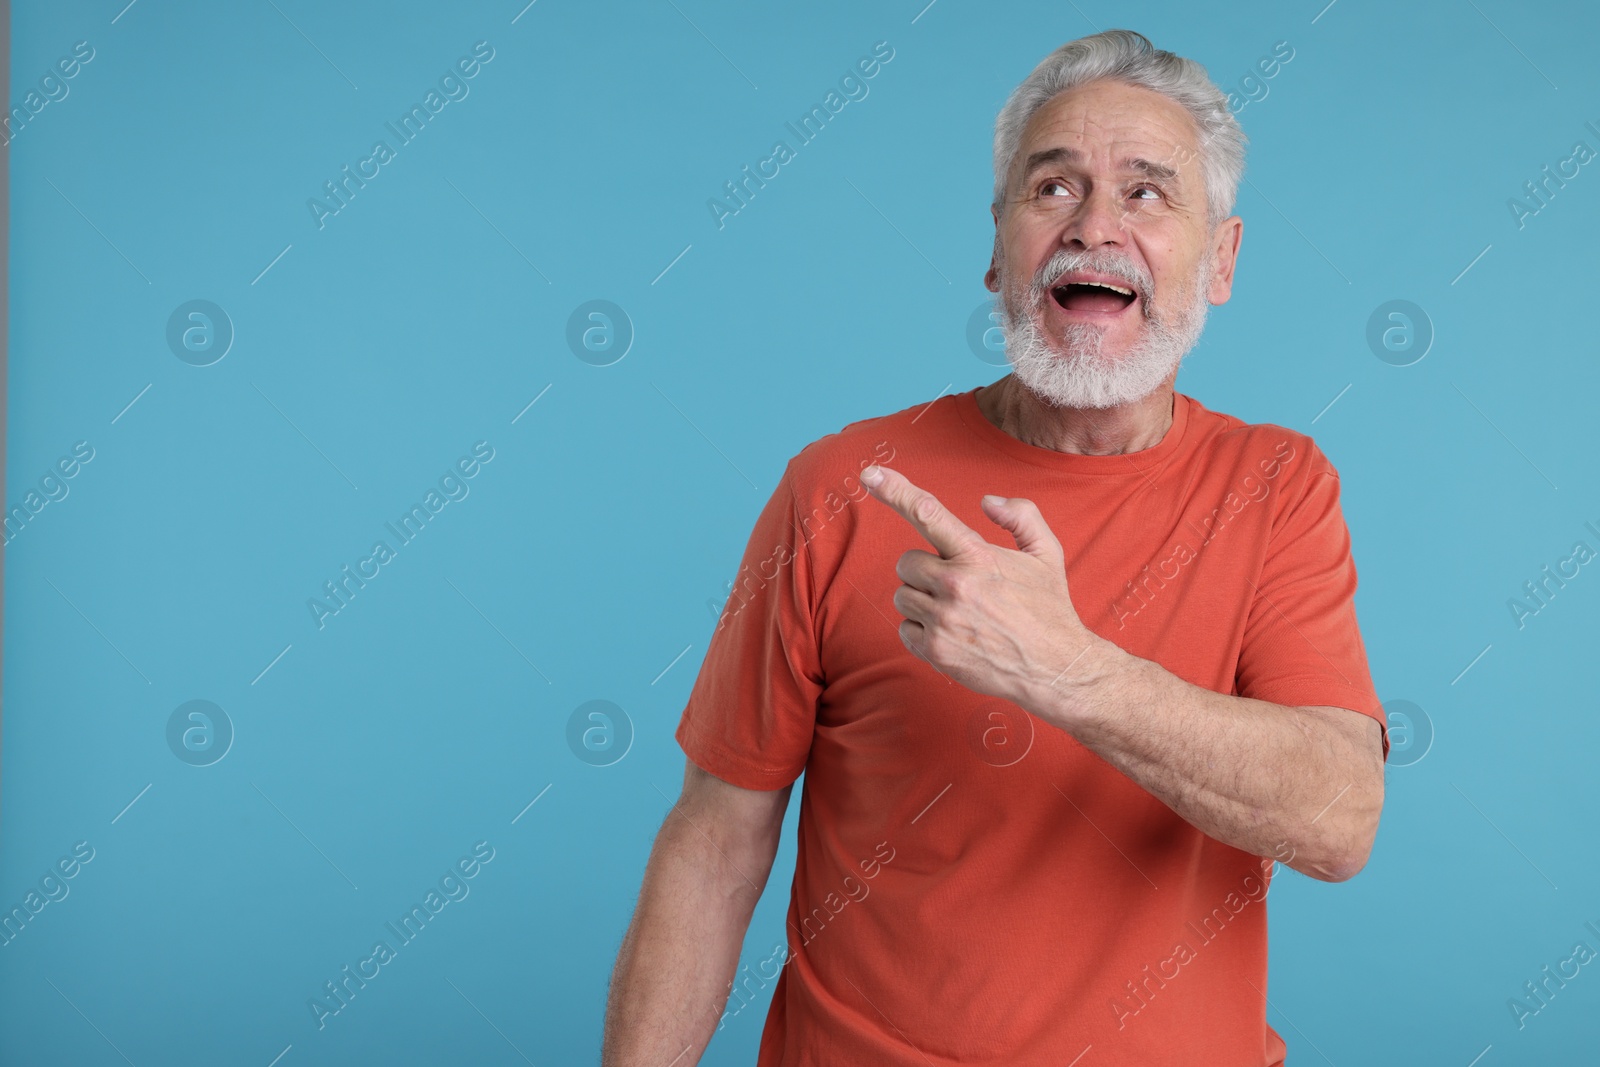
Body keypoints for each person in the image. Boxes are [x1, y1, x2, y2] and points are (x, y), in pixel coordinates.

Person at [602, 28, 1387, 1067]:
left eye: (1148, 193)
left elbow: (1337, 818)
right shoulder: (841, 485)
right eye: (1052, 187)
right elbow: (714, 841)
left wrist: (1070, 672)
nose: (1093, 225)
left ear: (1223, 259)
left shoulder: (1276, 485)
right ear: (997, 244)